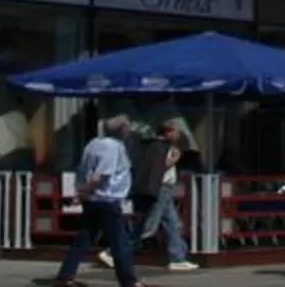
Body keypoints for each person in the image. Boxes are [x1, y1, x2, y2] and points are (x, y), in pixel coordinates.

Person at [59, 118, 141, 287]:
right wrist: (83, 193)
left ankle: (66, 275)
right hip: (107, 199)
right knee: (120, 242)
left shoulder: (93, 144)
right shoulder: (113, 147)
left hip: (93, 200)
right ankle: (129, 281)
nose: (129, 132)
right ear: (122, 130)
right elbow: (101, 175)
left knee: (84, 238)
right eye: (127, 129)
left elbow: (83, 170)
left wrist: (81, 194)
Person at [131, 119, 198, 271]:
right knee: (149, 225)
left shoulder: (161, 146)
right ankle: (116, 250)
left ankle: (177, 257)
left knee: (173, 224)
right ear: (168, 132)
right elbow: (158, 168)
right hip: (161, 187)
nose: (178, 135)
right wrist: (173, 160)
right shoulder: (158, 146)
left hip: (167, 187)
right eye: (176, 132)